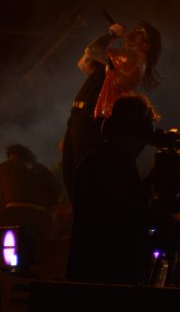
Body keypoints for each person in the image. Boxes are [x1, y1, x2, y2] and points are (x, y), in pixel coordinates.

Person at [61, 21, 161, 201]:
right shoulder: (117, 62)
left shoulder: (132, 57)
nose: (132, 33)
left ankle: (89, 216)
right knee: (71, 172)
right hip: (79, 116)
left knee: (80, 174)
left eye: (139, 33)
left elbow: (92, 51)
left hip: (89, 116)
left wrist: (111, 34)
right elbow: (84, 63)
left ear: (145, 45)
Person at [66, 94, 156, 285]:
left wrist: (153, 180)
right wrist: (168, 222)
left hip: (90, 272)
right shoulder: (115, 160)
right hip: (107, 276)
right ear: (135, 132)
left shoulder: (101, 157)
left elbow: (127, 200)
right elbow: (124, 212)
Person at [0, 144, 60, 243]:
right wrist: (46, 207)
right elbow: (56, 189)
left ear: (12, 156)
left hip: (11, 216)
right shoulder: (42, 169)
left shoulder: (3, 167)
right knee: (41, 248)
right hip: (40, 218)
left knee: (2, 247)